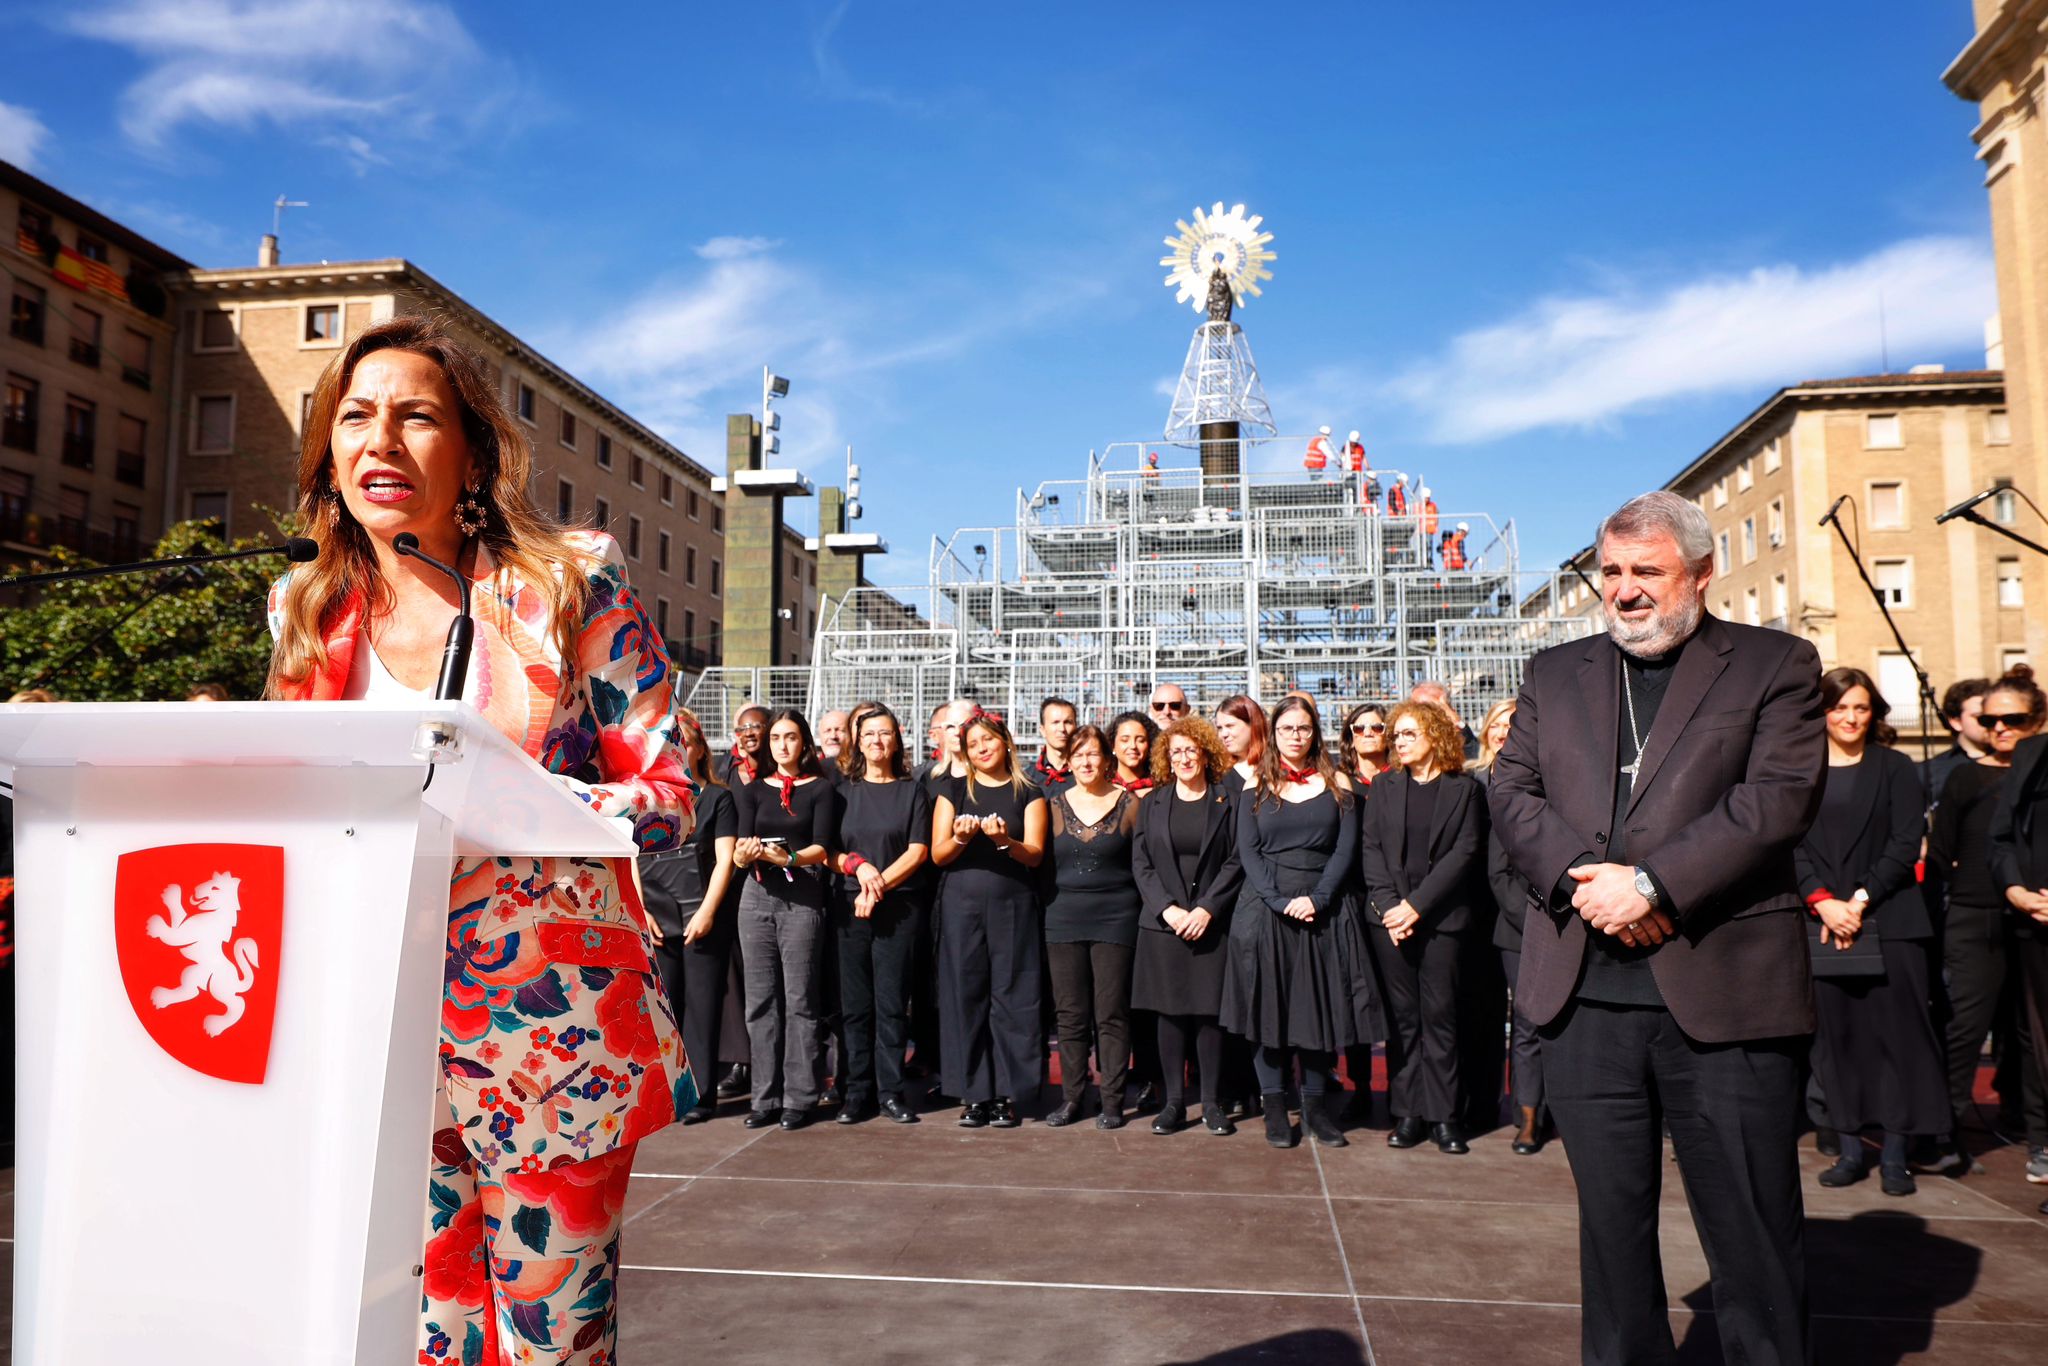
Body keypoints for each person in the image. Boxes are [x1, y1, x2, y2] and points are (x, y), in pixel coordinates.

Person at [264, 316, 696, 1363]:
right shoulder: (304, 609)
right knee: (427, 1338)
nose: (381, 441)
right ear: (328, 452)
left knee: (553, 1341)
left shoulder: (564, 580)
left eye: (416, 416)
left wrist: (542, 801)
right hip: (374, 1029)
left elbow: (667, 784)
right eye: (355, 417)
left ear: (470, 450)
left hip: (550, 1031)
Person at [1488, 490, 1824, 1366]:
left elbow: (1775, 801)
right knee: (1611, 1235)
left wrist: (1652, 886)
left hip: (1722, 994)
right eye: (1611, 572)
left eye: (1647, 571)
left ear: (1703, 574)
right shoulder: (1553, 674)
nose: (1625, 591)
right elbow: (1512, 793)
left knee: (1752, 1234)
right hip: (1583, 1001)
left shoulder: (1775, 664)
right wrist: (1580, 881)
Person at [1795, 667, 1947, 1196]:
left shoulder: (1896, 767)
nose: (1849, 717)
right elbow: (1787, 844)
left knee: (1898, 1041)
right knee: (1836, 1042)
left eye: (1860, 708)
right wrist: (1821, 902)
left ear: (1873, 712)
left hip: (1891, 918)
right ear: (1821, 712)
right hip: (1822, 923)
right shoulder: (1800, 771)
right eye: (1838, 708)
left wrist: (1857, 901)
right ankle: (1851, 1149)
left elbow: (1907, 842)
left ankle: (1897, 1156)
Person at [1220, 696, 1383, 1149]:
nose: (1295, 735)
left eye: (1304, 728)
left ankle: (1314, 1109)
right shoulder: (1253, 784)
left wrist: (1318, 898)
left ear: (1316, 733)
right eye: (1287, 727)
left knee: (1317, 1012)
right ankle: (1275, 1107)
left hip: (1324, 910)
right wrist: (1277, 899)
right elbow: (1248, 852)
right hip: (1265, 910)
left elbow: (1345, 849)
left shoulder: (1337, 782)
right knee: (1266, 1013)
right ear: (1272, 733)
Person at [1932, 665, 2048, 1178]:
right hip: (1976, 916)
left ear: (2037, 719)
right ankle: (1943, 1134)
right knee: (1965, 1027)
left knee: (2029, 1034)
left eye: (2014, 719)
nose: (2000, 729)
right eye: (1991, 720)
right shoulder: (1966, 776)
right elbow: (1942, 853)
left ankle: (2030, 1130)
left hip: (2033, 922)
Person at [1359, 700, 1487, 1155]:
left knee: (1441, 1018)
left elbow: (1464, 853)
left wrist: (1416, 906)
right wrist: (1393, 908)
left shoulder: (1464, 790)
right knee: (1403, 1020)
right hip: (1390, 922)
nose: (1398, 742)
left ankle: (1445, 1117)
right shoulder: (1383, 786)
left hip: (1442, 922)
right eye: (1396, 736)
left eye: (1408, 734)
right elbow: (1370, 850)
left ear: (1435, 735)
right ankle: (1408, 1112)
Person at [930, 710, 1049, 1128]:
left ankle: (1007, 1094)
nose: (982, 749)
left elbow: (1034, 854)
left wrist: (1005, 841)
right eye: (974, 743)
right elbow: (937, 854)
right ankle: (974, 1092)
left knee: (1013, 997)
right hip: (962, 905)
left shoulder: (1029, 791)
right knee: (966, 995)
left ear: (1006, 742)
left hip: (1013, 904)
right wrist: (961, 838)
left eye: (989, 741)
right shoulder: (952, 788)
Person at [1132, 716, 1245, 1136]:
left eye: (1190, 749)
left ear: (1205, 752)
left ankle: (1212, 1103)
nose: (1184, 758)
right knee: (1171, 1014)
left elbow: (1236, 861)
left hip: (1209, 924)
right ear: (1167, 757)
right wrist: (1169, 909)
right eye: (1175, 751)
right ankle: (1174, 1104)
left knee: (1208, 1015)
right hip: (1164, 925)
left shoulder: (1226, 799)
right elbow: (1141, 864)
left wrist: (1207, 909)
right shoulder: (1153, 801)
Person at [731, 708, 836, 1131]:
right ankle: (764, 1096)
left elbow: (823, 848)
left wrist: (789, 856)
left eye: (790, 737)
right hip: (756, 896)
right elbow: (739, 846)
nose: (782, 745)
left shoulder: (822, 790)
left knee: (801, 1001)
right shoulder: (754, 790)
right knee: (760, 1002)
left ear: (804, 743)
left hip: (802, 896)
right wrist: (744, 854)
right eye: (776, 738)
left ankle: (799, 1097)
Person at [830, 702, 933, 1125]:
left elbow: (918, 850)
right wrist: (861, 868)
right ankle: (857, 1093)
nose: (876, 740)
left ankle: (890, 1091)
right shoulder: (841, 792)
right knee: (855, 1007)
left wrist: (879, 885)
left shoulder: (913, 791)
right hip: (849, 907)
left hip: (898, 908)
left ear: (897, 739)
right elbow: (827, 852)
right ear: (858, 740)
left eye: (885, 733)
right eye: (869, 733)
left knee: (892, 1005)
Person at [641, 710, 744, 1126]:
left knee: (702, 1011)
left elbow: (725, 862)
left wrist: (707, 912)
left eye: (687, 741)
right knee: (666, 1010)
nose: (681, 750)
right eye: (673, 743)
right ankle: (668, 1093)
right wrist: (641, 909)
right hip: (658, 919)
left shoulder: (719, 798)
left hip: (702, 918)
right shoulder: (651, 799)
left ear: (701, 749)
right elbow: (636, 857)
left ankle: (703, 1094)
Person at [1041, 725, 1143, 1130]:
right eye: (1078, 755)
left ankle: (1113, 1100)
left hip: (1117, 917)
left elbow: (1143, 863)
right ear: (1068, 761)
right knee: (1070, 1015)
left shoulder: (1130, 803)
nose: (1086, 762)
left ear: (1107, 759)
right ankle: (1072, 1098)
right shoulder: (1052, 805)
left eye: (1093, 754)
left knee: (1111, 1013)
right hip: (1062, 917)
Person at [1473, 699, 1546, 1154]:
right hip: (1518, 927)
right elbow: (1498, 870)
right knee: (1525, 1024)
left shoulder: (1558, 780)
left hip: (1571, 918)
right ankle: (1528, 1117)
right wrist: (1531, 922)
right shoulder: (1494, 787)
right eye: (1498, 725)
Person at [1990, 677, 2048, 1216]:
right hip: (2034, 920)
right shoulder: (2031, 755)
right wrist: (2015, 889)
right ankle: (2043, 1142)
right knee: (2038, 1041)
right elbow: (2001, 835)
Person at [1925, 678, 1993, 809]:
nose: (1988, 722)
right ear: (1956, 722)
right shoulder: (1931, 771)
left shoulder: (2015, 762)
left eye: (1991, 716)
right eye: (1979, 717)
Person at [1214, 694, 1268, 797]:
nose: (1224, 734)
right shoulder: (1218, 773)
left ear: (1253, 725)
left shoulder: (1275, 767)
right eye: (1220, 728)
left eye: (1230, 726)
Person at [1410, 680, 1479, 756]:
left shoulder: (1455, 739)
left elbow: (1476, 757)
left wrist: (1458, 724)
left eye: (1431, 708)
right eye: (1418, 708)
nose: (1425, 714)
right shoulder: (1403, 741)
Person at [1029, 695, 1078, 793]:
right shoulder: (1028, 779)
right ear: (1042, 730)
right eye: (1055, 722)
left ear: (1076, 727)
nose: (1062, 729)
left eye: (1068, 722)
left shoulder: (1086, 773)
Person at [1341, 703, 1394, 789]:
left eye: (1377, 727)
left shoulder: (1402, 778)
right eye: (1359, 729)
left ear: (1388, 736)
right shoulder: (1340, 783)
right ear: (1351, 741)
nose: (1368, 733)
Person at [1111, 709, 1159, 794]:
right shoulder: (1101, 786)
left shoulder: (1161, 788)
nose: (1133, 746)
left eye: (1140, 740)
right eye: (1125, 740)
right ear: (1112, 745)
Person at [725, 703, 767, 785]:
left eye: (755, 726)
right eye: (742, 728)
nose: (748, 733)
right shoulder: (723, 771)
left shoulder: (781, 772)